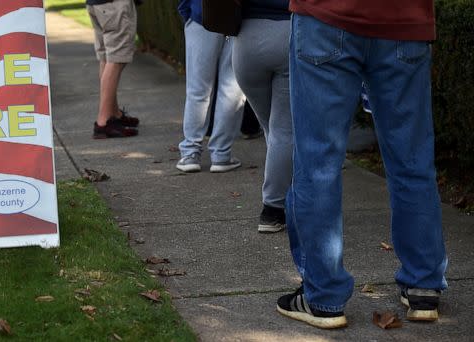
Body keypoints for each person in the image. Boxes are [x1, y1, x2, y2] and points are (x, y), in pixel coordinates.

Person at [277, 0, 448, 329]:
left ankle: (323, 297)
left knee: (319, 163)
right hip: (403, 19)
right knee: (412, 161)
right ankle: (423, 284)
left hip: (325, 16)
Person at [232, 0, 291, 233]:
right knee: (283, 131)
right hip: (287, 34)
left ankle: (284, 194)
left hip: (246, 41)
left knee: (271, 128)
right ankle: (273, 209)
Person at [176, 0, 246, 173]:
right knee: (232, 89)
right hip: (238, 17)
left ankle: (190, 153)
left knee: (198, 89)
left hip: (202, 13)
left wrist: (187, 10)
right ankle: (221, 154)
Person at [86, 0, 140, 139]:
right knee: (116, 59)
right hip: (114, 5)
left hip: (96, 4)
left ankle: (113, 113)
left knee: (106, 57)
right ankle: (103, 123)